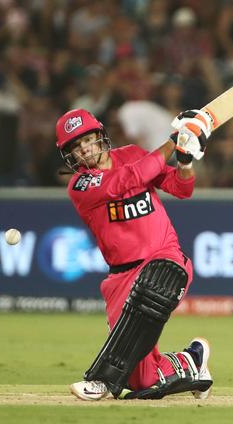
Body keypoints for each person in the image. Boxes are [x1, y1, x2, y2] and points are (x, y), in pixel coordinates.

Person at [55, 107, 214, 401]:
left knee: (151, 286)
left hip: (165, 260)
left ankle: (101, 380)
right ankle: (193, 360)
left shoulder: (132, 154)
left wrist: (185, 159)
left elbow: (181, 188)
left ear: (100, 136)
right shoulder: (81, 186)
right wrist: (175, 139)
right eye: (76, 147)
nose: (85, 150)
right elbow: (129, 179)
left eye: (88, 140)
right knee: (142, 378)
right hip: (121, 278)